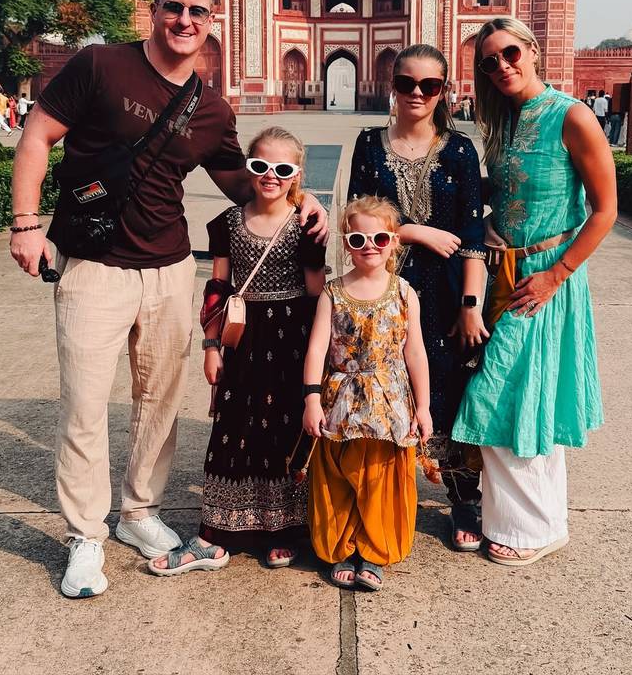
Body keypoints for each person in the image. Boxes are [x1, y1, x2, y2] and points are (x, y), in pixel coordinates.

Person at [9, 0, 327, 599]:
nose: (185, 21)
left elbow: (243, 180)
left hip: (169, 267)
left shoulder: (210, 109)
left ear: (214, 23)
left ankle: (139, 512)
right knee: (84, 406)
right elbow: (38, 134)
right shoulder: (100, 66)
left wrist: (302, 194)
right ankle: (84, 536)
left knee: (159, 401)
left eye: (198, 13)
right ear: (153, 11)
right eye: (174, 8)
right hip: (95, 265)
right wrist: (25, 222)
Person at [451, 17, 617, 567]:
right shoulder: (501, 120)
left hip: (546, 277)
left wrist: (556, 275)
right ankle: (520, 521)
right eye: (490, 60)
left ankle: (539, 527)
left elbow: (605, 211)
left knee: (511, 395)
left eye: (510, 53)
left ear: (533, 51)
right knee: (514, 395)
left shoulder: (571, 115)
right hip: (506, 269)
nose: (502, 65)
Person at [148, 126, 326, 577]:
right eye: (261, 166)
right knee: (234, 425)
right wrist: (211, 346)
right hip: (242, 337)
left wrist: (320, 354)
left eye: (282, 169)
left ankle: (282, 530)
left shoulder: (306, 226)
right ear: (249, 167)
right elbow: (218, 287)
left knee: (285, 429)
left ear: (296, 175)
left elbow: (315, 294)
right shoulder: (227, 223)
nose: (271, 176)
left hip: (291, 338)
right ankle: (216, 533)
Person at [348, 44, 487, 552]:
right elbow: (358, 218)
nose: (417, 94)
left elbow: (473, 234)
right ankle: (387, 496)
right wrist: (416, 232)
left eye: (430, 86)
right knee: (387, 385)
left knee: (449, 388)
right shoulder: (369, 144)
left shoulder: (459, 150)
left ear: (444, 91)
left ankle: (463, 499)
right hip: (382, 289)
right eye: (407, 83)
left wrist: (471, 306)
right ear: (392, 84)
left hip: (445, 293)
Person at [302, 195, 433, 591]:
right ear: (347, 244)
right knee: (338, 475)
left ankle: (374, 550)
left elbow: (415, 351)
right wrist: (310, 398)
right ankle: (340, 545)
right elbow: (317, 347)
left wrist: (424, 406)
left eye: (379, 238)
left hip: (389, 401)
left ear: (394, 241)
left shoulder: (404, 292)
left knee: (381, 476)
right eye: (358, 240)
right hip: (340, 399)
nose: (369, 247)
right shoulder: (332, 292)